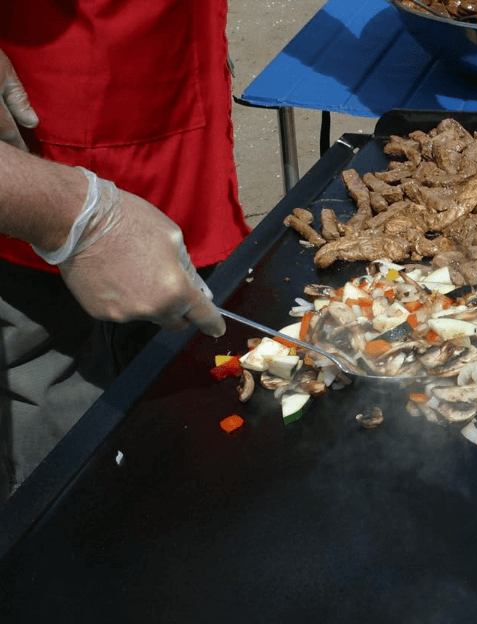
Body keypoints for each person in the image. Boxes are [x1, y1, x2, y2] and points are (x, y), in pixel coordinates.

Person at [0, 0, 251, 500]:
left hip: (178, 127)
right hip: (28, 183)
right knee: (68, 488)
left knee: (201, 434)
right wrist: (78, 220)